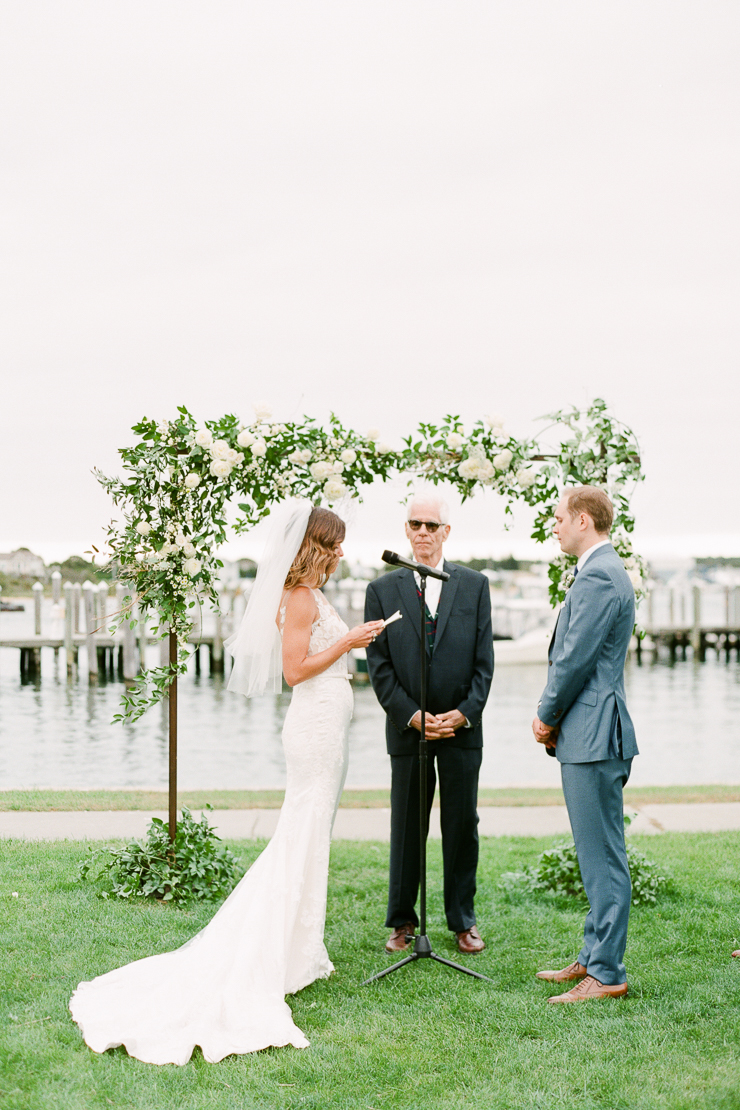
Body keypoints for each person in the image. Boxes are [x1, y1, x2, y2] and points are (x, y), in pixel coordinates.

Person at [70, 502, 385, 1064]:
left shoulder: (314, 595)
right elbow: (294, 671)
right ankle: (270, 954)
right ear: (314, 546)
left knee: (313, 839)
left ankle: (299, 951)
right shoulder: (297, 599)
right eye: (333, 545)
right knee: (299, 836)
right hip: (312, 729)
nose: (340, 554)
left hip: (329, 728)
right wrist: (348, 642)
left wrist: (346, 643)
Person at [364, 492, 493, 955]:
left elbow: (484, 663)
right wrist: (413, 717)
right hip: (408, 731)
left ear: (446, 532)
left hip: (461, 730)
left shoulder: (475, 585)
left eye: (431, 525)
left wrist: (463, 714)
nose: (423, 532)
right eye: (415, 524)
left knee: (462, 825)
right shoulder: (380, 590)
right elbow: (377, 667)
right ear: (406, 530)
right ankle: (401, 921)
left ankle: (462, 921)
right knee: (406, 826)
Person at [532, 486, 639, 1004]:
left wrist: (545, 714)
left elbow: (574, 659)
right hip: (592, 732)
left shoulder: (599, 574)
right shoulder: (603, 570)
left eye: (556, 519)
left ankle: (608, 972)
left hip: (593, 734)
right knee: (594, 851)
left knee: (603, 857)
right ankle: (593, 955)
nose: (553, 526)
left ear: (581, 520)